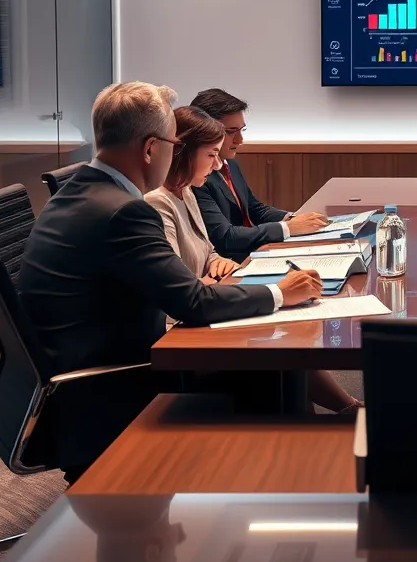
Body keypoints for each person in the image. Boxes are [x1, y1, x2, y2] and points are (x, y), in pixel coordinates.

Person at [18, 82, 322, 477]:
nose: (175, 152)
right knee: (271, 362)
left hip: (74, 377)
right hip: (108, 388)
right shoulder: (125, 212)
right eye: (172, 142)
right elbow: (192, 303)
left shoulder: (79, 193)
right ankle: (286, 484)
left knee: (266, 351)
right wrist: (279, 294)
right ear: (150, 148)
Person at [145, 105, 358, 415]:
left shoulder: (187, 192)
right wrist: (207, 276)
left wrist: (220, 263)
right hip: (183, 329)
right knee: (277, 341)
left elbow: (210, 250)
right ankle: (316, 429)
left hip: (209, 303)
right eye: (211, 155)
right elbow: (179, 286)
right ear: (184, 153)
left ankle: (346, 409)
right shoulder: (157, 204)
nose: (218, 164)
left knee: (287, 331)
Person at [190, 88, 327, 262]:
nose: (240, 140)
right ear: (205, 131)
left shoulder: (230, 163)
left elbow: (255, 209)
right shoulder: (196, 177)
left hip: (254, 253)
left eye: (241, 130)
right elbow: (225, 237)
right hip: (231, 263)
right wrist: (288, 228)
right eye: (231, 132)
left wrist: (294, 218)